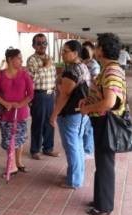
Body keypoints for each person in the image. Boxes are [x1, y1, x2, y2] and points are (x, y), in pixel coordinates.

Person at [79, 33, 127, 215]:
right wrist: (88, 101)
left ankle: (104, 205)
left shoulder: (112, 71)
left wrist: (87, 108)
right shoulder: (108, 69)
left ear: (102, 50)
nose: (95, 49)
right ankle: (100, 198)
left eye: (97, 46)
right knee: (102, 163)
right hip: (101, 122)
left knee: (105, 164)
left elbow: (109, 102)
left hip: (107, 123)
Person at [49, 40, 90, 189]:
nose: (63, 54)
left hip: (70, 114)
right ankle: (76, 176)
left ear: (75, 53)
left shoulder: (72, 71)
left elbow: (64, 95)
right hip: (80, 114)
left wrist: (53, 115)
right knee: (77, 145)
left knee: (72, 146)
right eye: (62, 51)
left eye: (66, 51)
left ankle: (74, 180)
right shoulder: (83, 67)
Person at [0, 48, 34, 175]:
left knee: (19, 138)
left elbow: (30, 94)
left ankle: (18, 162)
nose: (21, 60)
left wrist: (20, 104)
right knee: (9, 138)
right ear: (10, 59)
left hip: (20, 113)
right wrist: (6, 103)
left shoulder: (25, 74)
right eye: (19, 58)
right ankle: (11, 163)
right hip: (5, 112)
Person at [27, 33, 60, 160]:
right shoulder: (32, 60)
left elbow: (53, 78)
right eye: (39, 43)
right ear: (34, 46)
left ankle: (48, 148)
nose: (42, 46)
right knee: (38, 123)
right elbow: (32, 79)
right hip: (39, 95)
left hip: (50, 94)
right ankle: (35, 150)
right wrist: (45, 67)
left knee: (50, 122)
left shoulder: (50, 58)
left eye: (44, 43)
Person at [80, 42, 101, 157]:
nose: (85, 52)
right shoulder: (81, 63)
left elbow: (95, 82)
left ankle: (88, 150)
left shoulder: (94, 65)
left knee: (88, 126)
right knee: (83, 124)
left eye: (87, 50)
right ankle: (85, 147)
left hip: (90, 97)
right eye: (84, 50)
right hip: (82, 97)